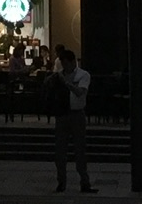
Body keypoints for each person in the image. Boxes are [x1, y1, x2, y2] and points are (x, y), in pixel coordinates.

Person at [42, 46, 96, 194]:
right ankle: (61, 181)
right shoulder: (58, 76)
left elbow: (80, 92)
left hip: (77, 114)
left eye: (66, 63)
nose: (65, 67)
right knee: (60, 150)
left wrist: (67, 83)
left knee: (80, 149)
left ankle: (84, 181)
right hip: (62, 113)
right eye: (63, 64)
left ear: (73, 62)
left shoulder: (83, 75)